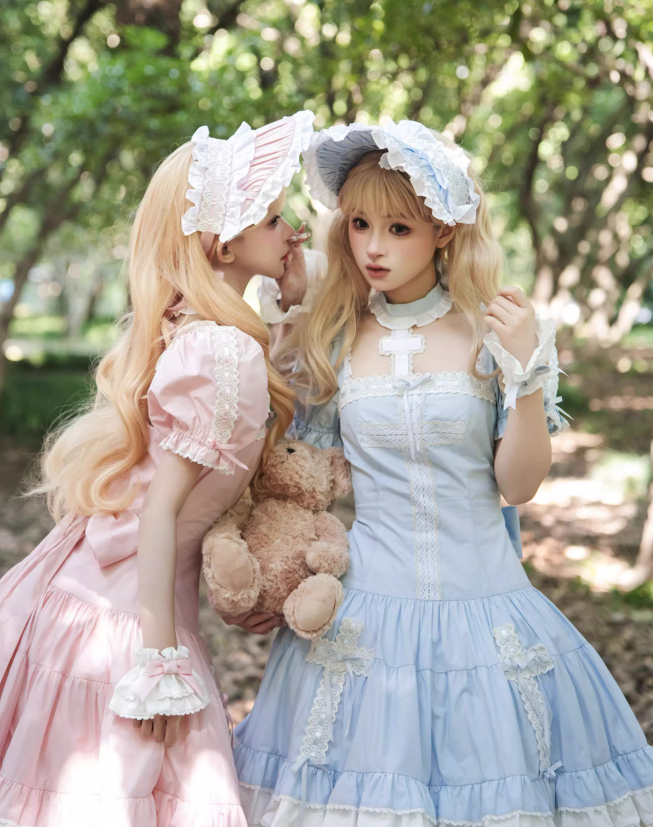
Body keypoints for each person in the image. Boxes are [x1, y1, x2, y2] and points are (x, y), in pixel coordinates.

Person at [234, 120, 653, 826]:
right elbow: (291, 473)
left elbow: (519, 486)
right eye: (360, 224)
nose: (373, 246)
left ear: (444, 231)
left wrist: (525, 374)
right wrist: (284, 322)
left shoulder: (496, 331)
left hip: (488, 610)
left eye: (398, 228)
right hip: (364, 616)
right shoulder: (332, 335)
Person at [0, 110, 314, 827]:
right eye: (275, 218)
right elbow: (161, 510)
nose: (294, 231)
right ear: (223, 242)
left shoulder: (204, 333)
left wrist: (290, 299)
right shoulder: (219, 350)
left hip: (101, 597)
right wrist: (159, 660)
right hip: (127, 618)